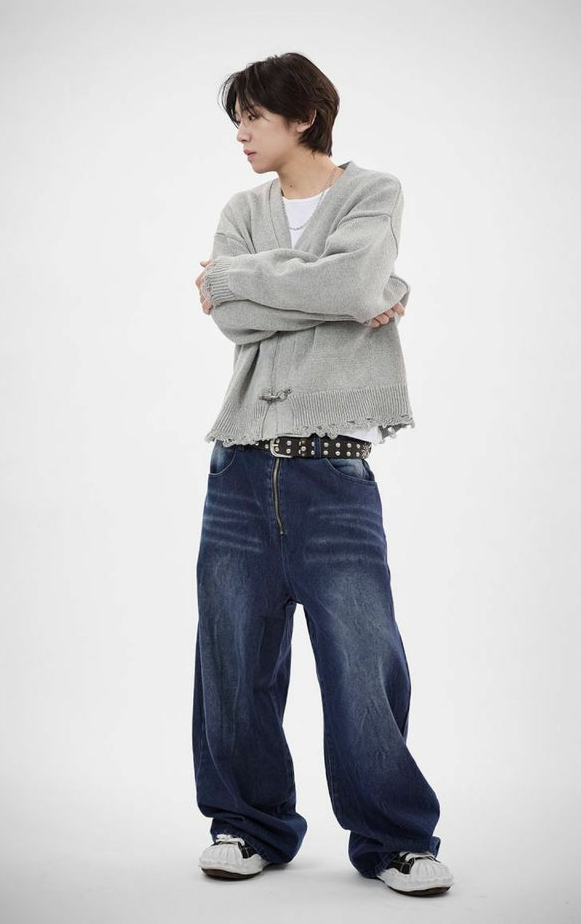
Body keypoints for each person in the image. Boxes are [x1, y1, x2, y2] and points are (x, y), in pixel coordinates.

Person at [192, 52, 454, 897]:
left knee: (362, 662)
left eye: (253, 117)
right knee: (233, 661)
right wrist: (353, 290)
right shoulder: (243, 210)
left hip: (333, 473)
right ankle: (247, 825)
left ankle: (394, 839)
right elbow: (237, 319)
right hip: (240, 467)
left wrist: (246, 280)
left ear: (303, 116)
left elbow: (344, 282)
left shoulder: (373, 193)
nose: (240, 134)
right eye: (237, 119)